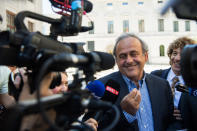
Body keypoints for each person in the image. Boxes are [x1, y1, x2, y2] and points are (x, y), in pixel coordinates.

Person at [83, 33, 174, 131]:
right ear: (116, 60)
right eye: (122, 56)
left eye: (134, 54)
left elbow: (170, 122)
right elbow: (92, 127)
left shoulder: (162, 85)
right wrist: (125, 114)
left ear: (146, 56)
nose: (129, 60)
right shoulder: (101, 88)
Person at [151, 37, 197, 130]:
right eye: (174, 53)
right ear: (170, 55)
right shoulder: (155, 76)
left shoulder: (195, 83)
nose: (177, 58)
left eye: (183, 54)